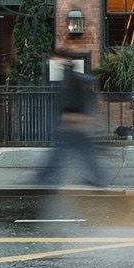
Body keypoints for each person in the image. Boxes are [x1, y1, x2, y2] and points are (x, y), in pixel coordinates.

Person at [33, 50, 106, 187]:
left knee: (62, 152)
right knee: (76, 152)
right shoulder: (71, 74)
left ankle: (43, 177)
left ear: (64, 58)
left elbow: (74, 100)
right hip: (75, 122)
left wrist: (74, 118)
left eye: (56, 58)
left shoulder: (71, 76)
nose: (53, 61)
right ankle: (97, 178)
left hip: (74, 122)